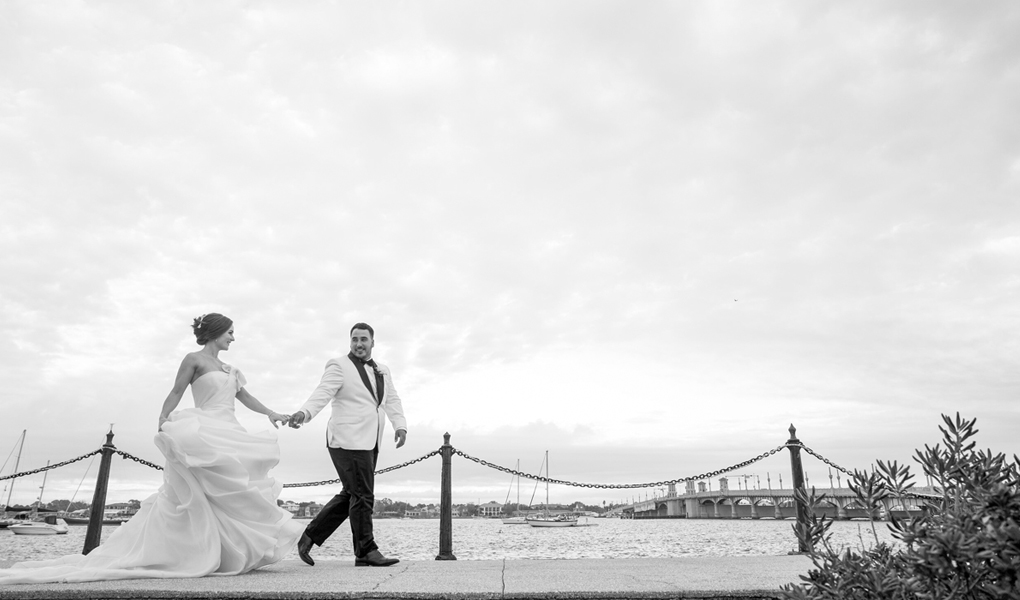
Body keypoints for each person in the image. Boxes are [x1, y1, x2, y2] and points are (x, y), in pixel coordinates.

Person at [0, 313, 303, 585]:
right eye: (230, 332)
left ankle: (226, 553)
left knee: (233, 488)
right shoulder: (193, 360)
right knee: (203, 489)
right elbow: (176, 391)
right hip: (204, 429)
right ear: (215, 332)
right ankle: (195, 551)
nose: (233, 338)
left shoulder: (232, 369)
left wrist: (271, 413)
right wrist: (162, 418)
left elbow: (245, 398)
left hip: (229, 430)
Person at [288, 322, 407, 567]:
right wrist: (304, 413)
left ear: (372, 342)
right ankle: (365, 551)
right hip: (346, 439)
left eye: (363, 339)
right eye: (354, 339)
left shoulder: (382, 369)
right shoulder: (339, 365)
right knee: (363, 495)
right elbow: (322, 392)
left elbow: (391, 399)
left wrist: (400, 425)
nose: (359, 344)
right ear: (350, 341)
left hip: (370, 440)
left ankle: (309, 537)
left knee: (352, 493)